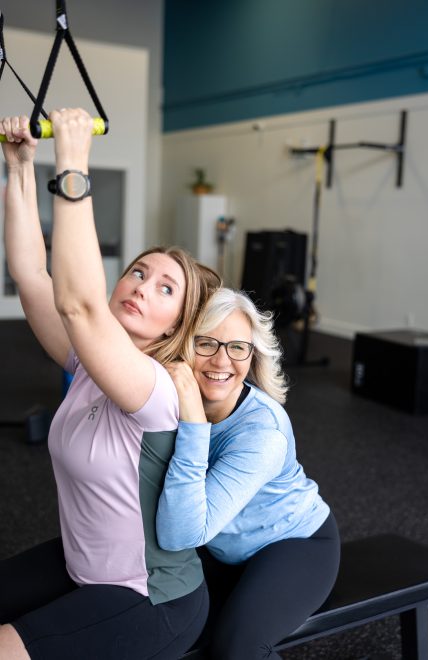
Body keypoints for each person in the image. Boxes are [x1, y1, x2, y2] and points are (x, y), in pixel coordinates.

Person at [0, 109, 220, 660]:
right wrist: (21, 169)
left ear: (177, 324)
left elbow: (78, 304)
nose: (143, 286)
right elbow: (33, 276)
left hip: (150, 600)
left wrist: (72, 164)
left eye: (166, 289)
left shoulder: (156, 389)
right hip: (82, 568)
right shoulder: (88, 365)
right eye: (139, 272)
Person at [156, 288, 340, 660]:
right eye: (206, 343)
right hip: (221, 547)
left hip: (293, 543)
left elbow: (182, 533)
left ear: (252, 354)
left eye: (238, 347)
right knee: (159, 630)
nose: (222, 360)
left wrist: (192, 418)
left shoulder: (263, 433)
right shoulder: (163, 394)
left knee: (236, 648)